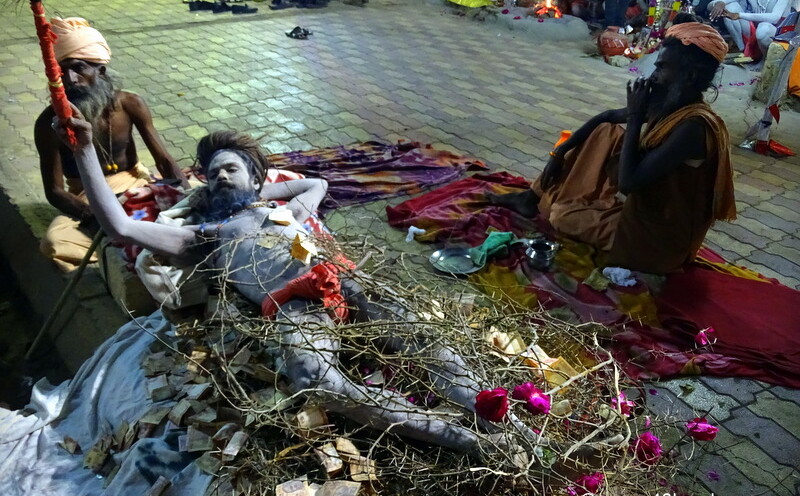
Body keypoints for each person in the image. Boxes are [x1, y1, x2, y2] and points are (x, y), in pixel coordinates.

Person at [51, 111, 531, 453]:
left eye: (229, 168)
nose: (217, 177)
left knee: (423, 342)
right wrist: (86, 150)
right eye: (210, 173)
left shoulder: (287, 210)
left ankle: (495, 414)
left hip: (345, 280)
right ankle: (462, 438)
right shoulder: (205, 235)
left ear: (256, 177)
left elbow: (314, 185)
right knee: (315, 381)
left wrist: (261, 189)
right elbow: (123, 227)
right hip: (294, 307)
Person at [491, 22, 737, 274]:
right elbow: (606, 116)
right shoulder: (671, 105)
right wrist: (559, 153)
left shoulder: (693, 127)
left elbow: (628, 183)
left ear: (690, 76)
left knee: (561, 215)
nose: (653, 76)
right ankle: (531, 196)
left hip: (657, 241)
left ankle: (548, 199)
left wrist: (634, 117)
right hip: (640, 212)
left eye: (662, 68)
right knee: (605, 132)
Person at [34, 17, 186, 271]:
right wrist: (97, 218)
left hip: (135, 183)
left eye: (79, 68)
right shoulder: (49, 122)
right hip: (86, 195)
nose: (70, 79)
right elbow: (55, 191)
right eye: (62, 71)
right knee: (53, 242)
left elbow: (164, 160)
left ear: (100, 70)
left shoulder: (130, 104)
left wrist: (185, 194)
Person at [709, 0, 791, 59]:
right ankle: (743, 50)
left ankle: (764, 61)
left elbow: (775, 18)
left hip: (778, 33)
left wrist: (739, 15)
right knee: (730, 6)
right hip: (754, 33)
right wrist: (719, 3)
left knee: (763, 28)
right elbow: (709, 6)